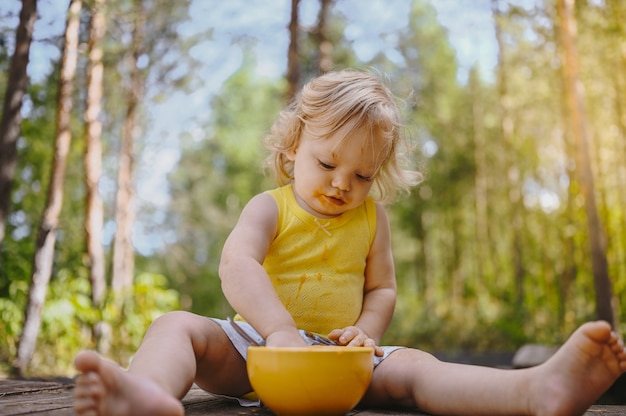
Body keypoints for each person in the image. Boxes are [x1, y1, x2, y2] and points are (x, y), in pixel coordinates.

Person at [74, 69, 626, 416]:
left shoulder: (373, 220)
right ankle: (144, 395)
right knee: (176, 326)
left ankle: (534, 392)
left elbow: (381, 289)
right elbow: (236, 265)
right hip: (258, 354)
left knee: (420, 369)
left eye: (362, 176)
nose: (343, 184)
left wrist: (366, 333)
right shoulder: (270, 206)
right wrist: (280, 333)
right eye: (328, 162)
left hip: (343, 361)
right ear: (293, 147)